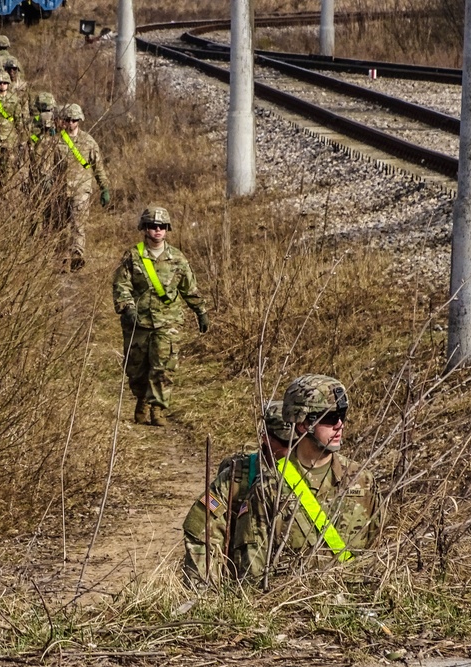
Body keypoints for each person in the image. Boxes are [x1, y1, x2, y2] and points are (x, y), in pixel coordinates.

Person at [182, 375, 379, 586]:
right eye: (330, 418)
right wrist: (203, 592)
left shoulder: (360, 480)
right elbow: (206, 534)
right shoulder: (257, 484)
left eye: (342, 416)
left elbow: (376, 547)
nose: (339, 425)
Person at [112, 206, 209, 426]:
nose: (157, 230)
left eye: (162, 227)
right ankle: (141, 400)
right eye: (153, 226)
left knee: (163, 367)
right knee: (136, 369)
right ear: (144, 228)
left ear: (167, 229)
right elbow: (121, 284)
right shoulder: (133, 256)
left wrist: (200, 311)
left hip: (168, 321)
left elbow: (189, 288)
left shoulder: (177, 258)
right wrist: (128, 307)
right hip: (138, 322)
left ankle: (157, 409)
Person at [181, 400, 293, 585]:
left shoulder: (318, 477)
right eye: (286, 442)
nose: (293, 449)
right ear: (265, 437)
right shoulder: (237, 478)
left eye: (299, 442)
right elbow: (202, 534)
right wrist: (202, 593)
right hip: (243, 587)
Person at [49, 103, 111, 269]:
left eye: (74, 120)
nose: (71, 123)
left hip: (81, 189)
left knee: (78, 223)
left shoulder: (88, 142)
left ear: (79, 121)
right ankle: (60, 258)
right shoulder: (56, 141)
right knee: (59, 224)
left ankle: (77, 255)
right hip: (60, 189)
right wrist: (47, 182)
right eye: (68, 120)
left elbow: (98, 167)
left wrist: (104, 188)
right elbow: (48, 165)